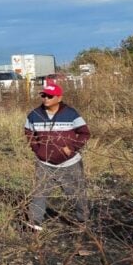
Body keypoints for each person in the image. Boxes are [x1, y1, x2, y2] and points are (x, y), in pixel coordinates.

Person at [24, 83, 91, 232]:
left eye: (50, 96)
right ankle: (35, 223)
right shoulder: (34, 114)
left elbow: (85, 133)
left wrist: (72, 148)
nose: (46, 98)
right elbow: (29, 133)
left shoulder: (71, 114)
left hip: (70, 163)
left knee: (76, 193)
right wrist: (37, 149)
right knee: (39, 193)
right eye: (43, 95)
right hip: (44, 162)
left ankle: (83, 222)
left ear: (59, 97)